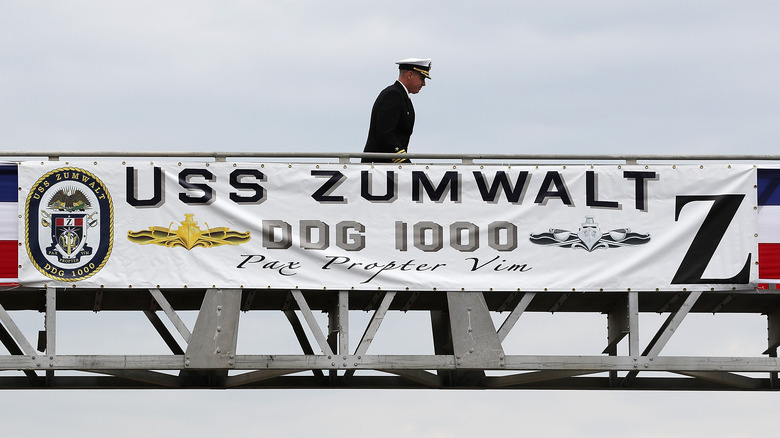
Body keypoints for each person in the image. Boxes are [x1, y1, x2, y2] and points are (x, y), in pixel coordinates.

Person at [362, 58, 431, 163]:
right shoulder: (393, 95)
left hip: (390, 166)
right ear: (410, 75)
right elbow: (385, 134)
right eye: (422, 78)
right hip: (380, 167)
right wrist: (403, 161)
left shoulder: (402, 96)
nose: (424, 84)